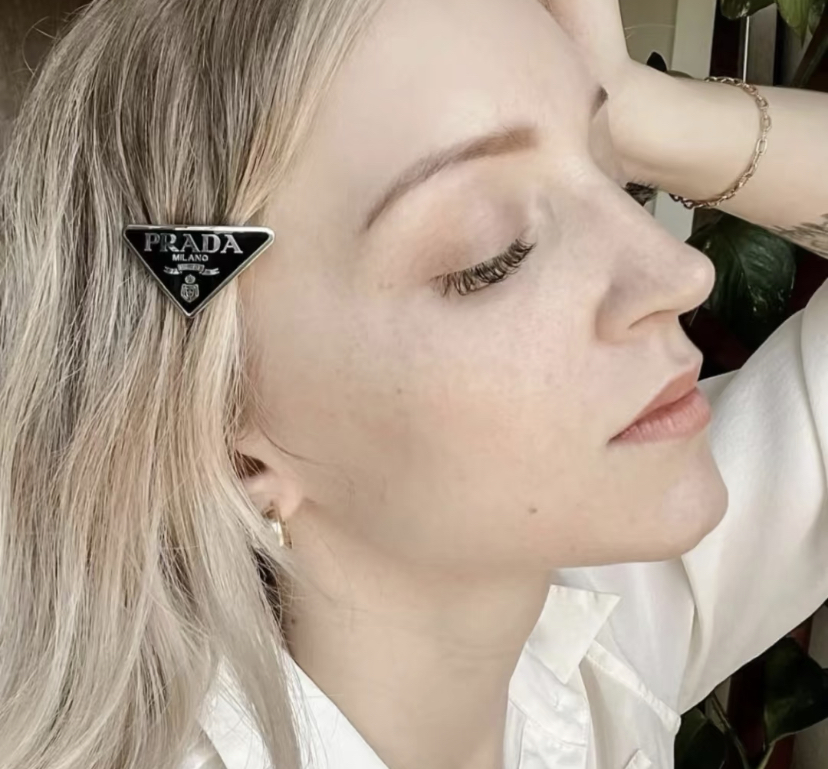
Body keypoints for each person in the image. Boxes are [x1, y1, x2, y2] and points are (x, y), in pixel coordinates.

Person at [1, 0, 827, 767]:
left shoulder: (592, 651)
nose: (681, 272)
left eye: (620, 179)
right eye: (493, 255)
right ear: (234, 441)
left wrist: (642, 109)